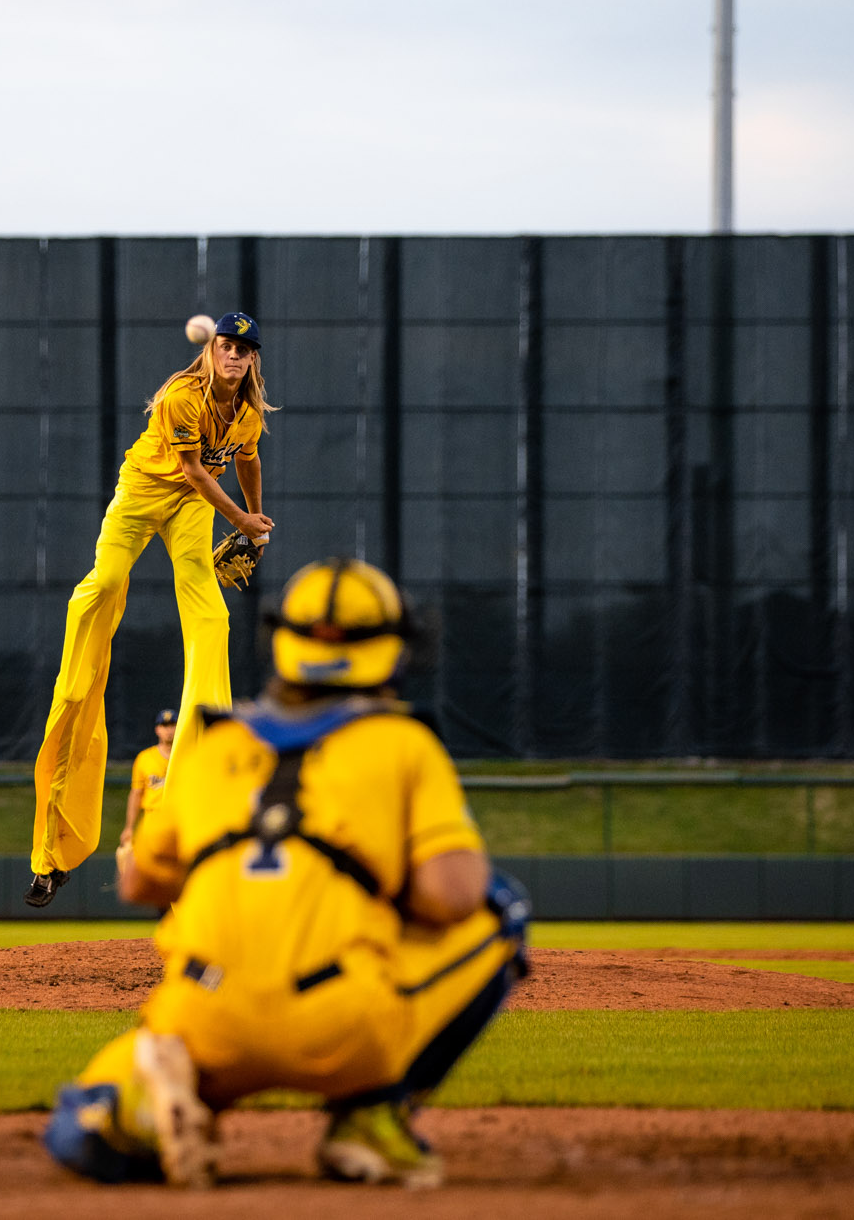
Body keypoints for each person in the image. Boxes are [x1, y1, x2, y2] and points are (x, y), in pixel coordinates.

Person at [42, 558, 531, 1191]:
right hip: (339, 1020)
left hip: (204, 1012)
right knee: (503, 907)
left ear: (284, 642)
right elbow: (453, 896)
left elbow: (139, 884)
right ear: (392, 648)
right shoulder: (403, 742)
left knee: (78, 1133)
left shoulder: (216, 744)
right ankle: (373, 1119)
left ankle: (138, 1105)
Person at [26, 313, 277, 908]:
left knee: (212, 619)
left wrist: (255, 522)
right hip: (142, 495)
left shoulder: (245, 411)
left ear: (252, 359)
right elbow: (191, 469)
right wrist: (239, 518)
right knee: (106, 582)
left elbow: (246, 460)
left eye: (244, 349)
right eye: (227, 345)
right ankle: (53, 843)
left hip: (193, 508)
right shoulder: (181, 396)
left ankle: (195, 769)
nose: (234, 355)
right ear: (212, 349)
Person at [118, 708, 177, 851]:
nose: (169, 730)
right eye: (164, 725)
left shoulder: (187, 755)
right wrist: (129, 827)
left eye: (172, 725)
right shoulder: (145, 758)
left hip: (178, 820)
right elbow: (136, 794)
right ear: (157, 729)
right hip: (152, 819)